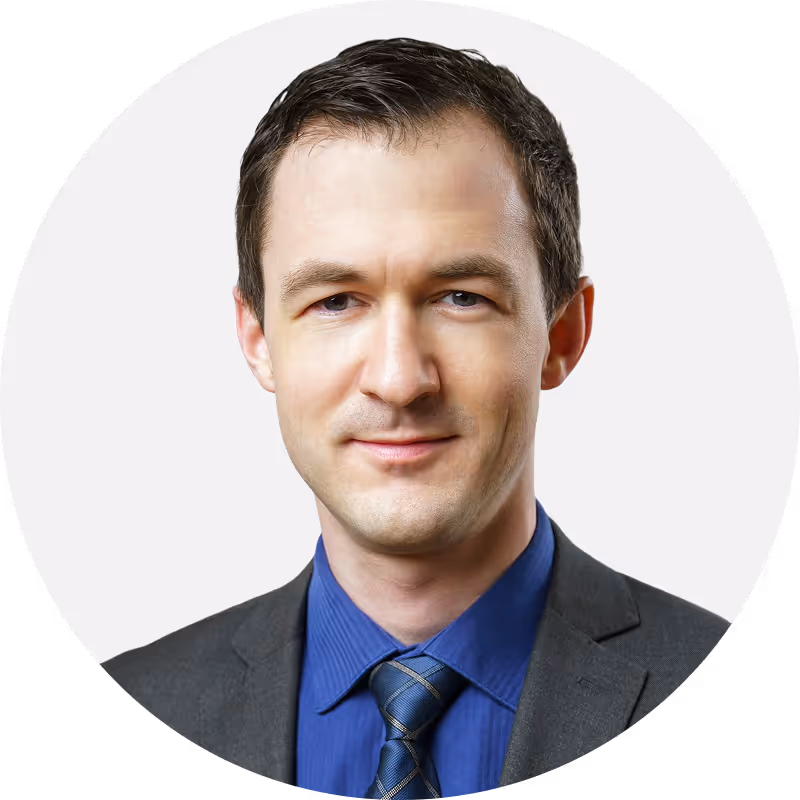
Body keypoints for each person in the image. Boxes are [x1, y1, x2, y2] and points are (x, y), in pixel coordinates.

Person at [103, 38, 729, 796]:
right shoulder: (140, 700)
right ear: (258, 339)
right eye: (335, 301)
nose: (399, 380)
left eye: (461, 296)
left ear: (561, 335)